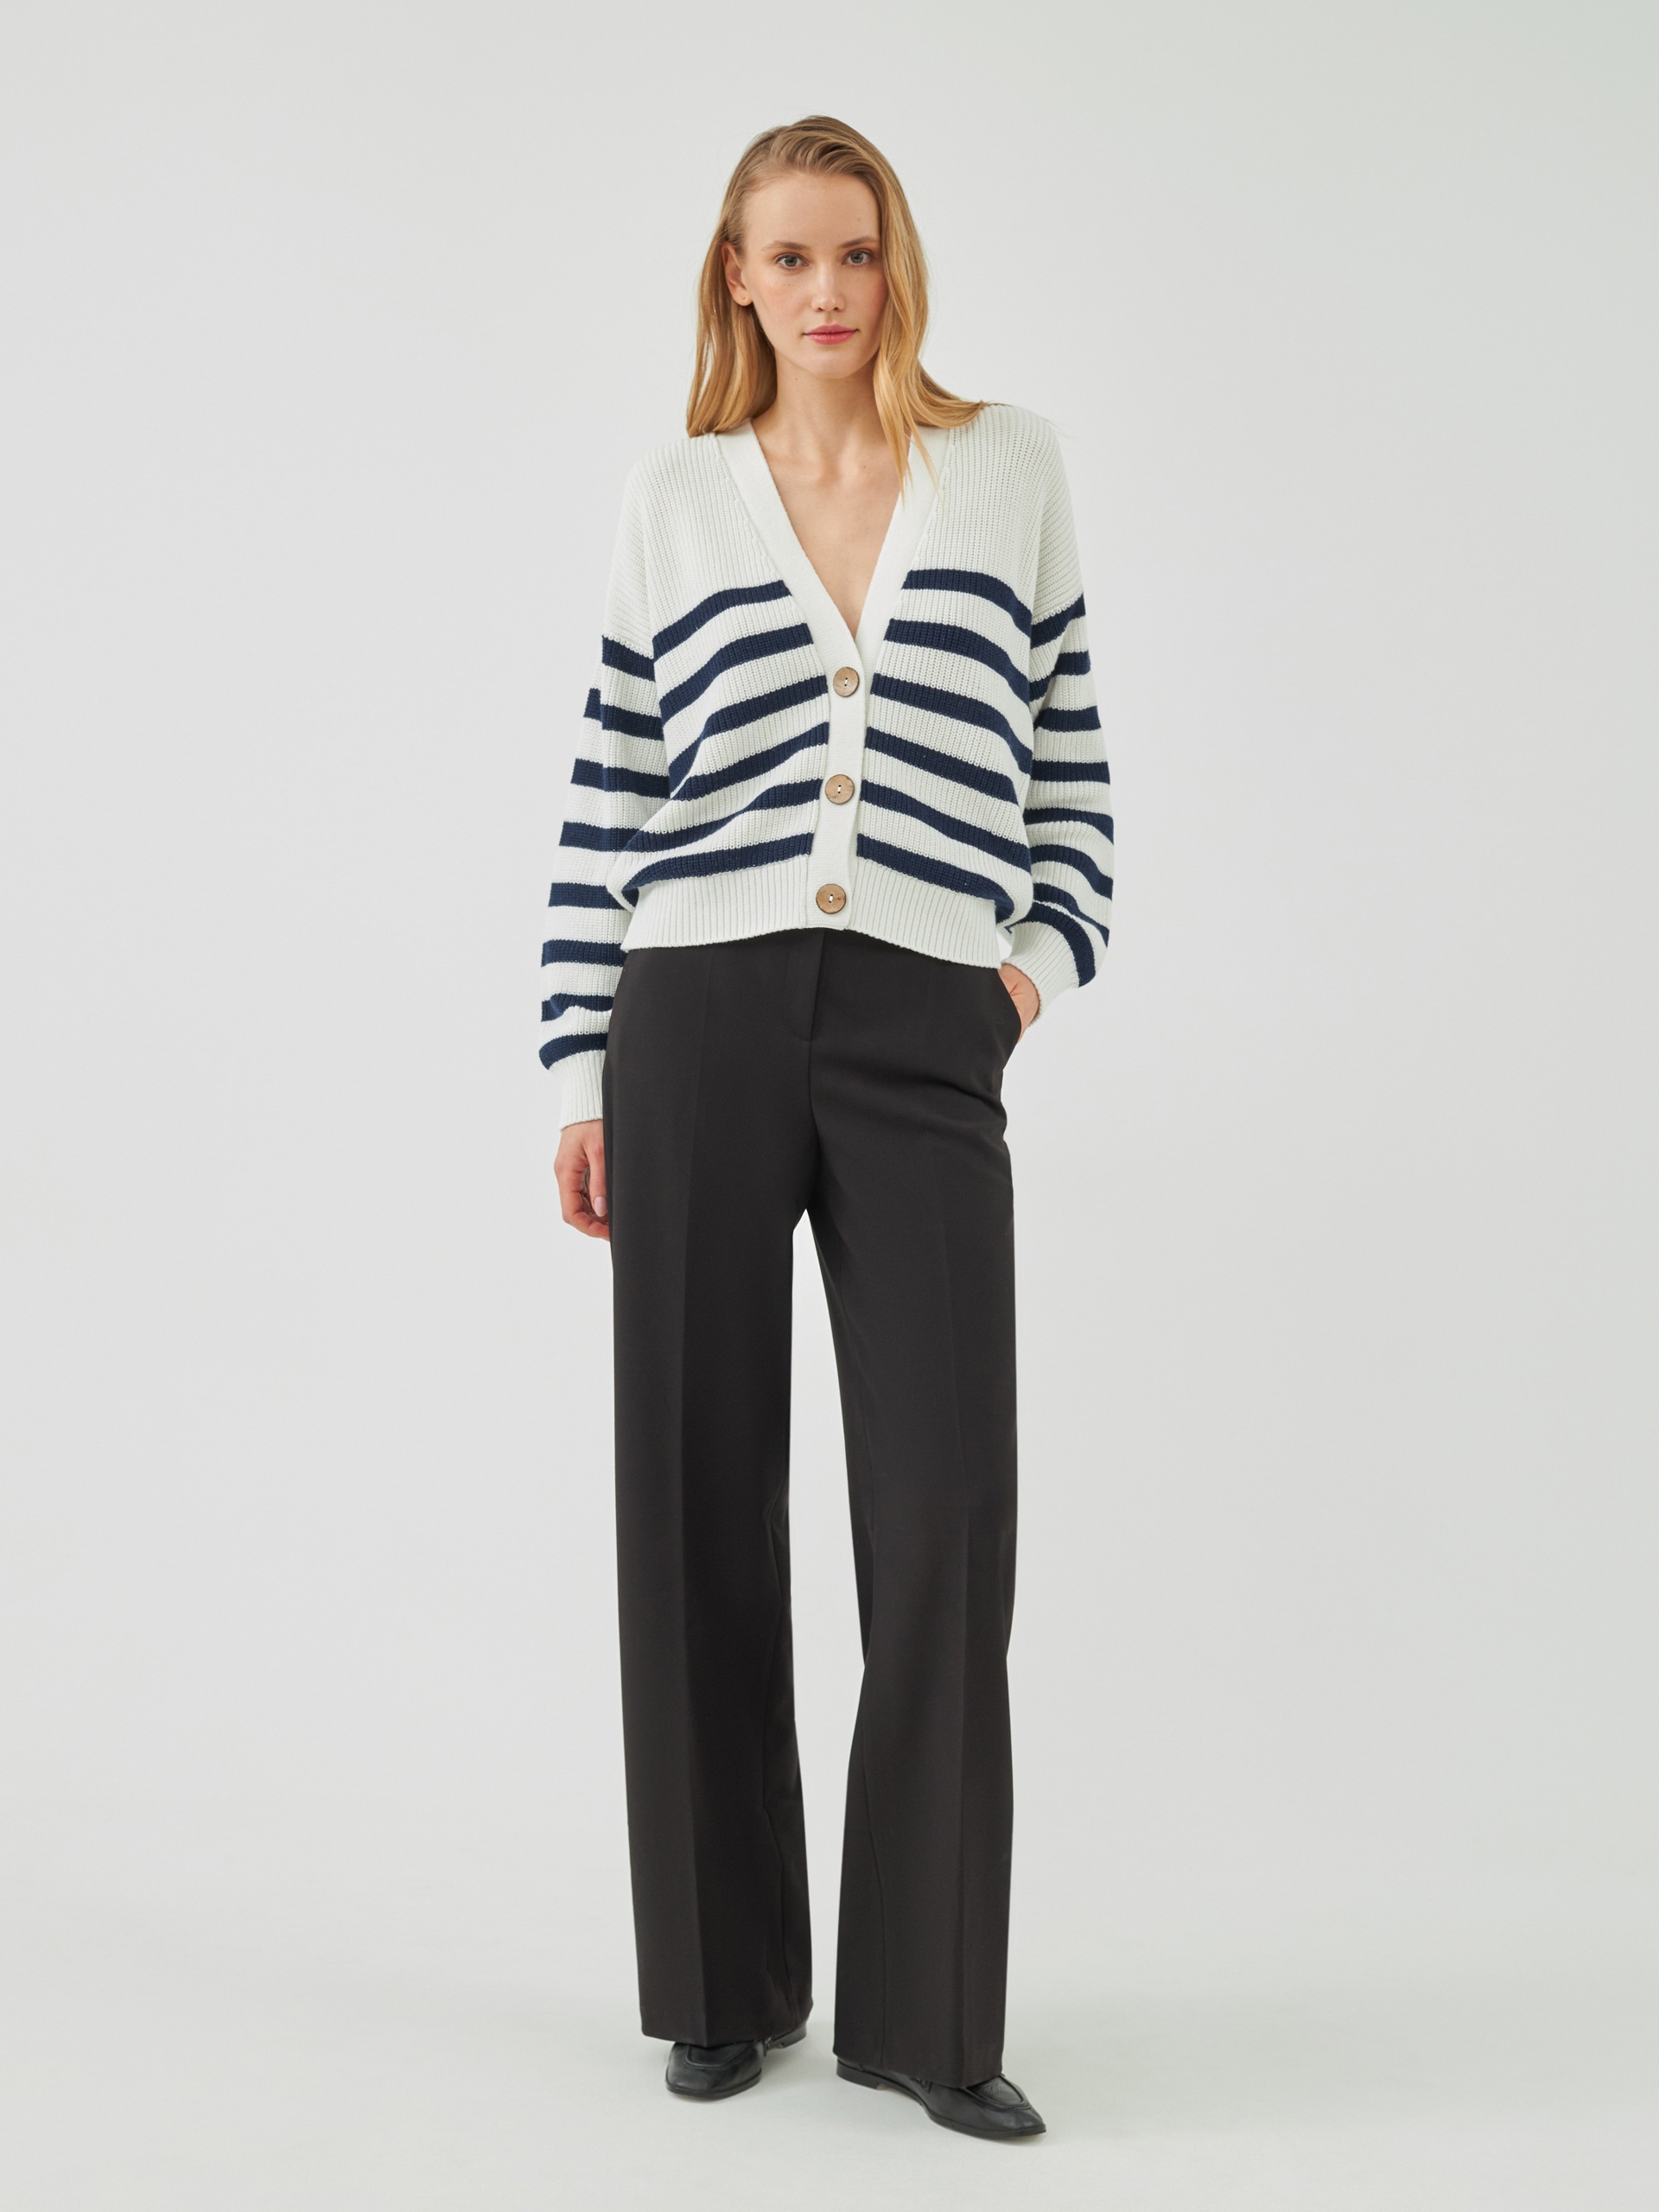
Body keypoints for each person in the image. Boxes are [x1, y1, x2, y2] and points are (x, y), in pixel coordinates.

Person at [541, 115, 1111, 2144]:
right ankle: (721, 1983)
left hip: (921, 1030)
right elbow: (611, 791)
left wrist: (1018, 977)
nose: (826, 290)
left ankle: (929, 2012)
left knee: (946, 1506)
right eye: (786, 257)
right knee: (695, 1492)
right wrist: (578, 1067)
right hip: (691, 1013)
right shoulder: (676, 495)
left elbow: (1073, 776)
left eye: (854, 250)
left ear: (897, 260)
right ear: (737, 278)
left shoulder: (1010, 466)